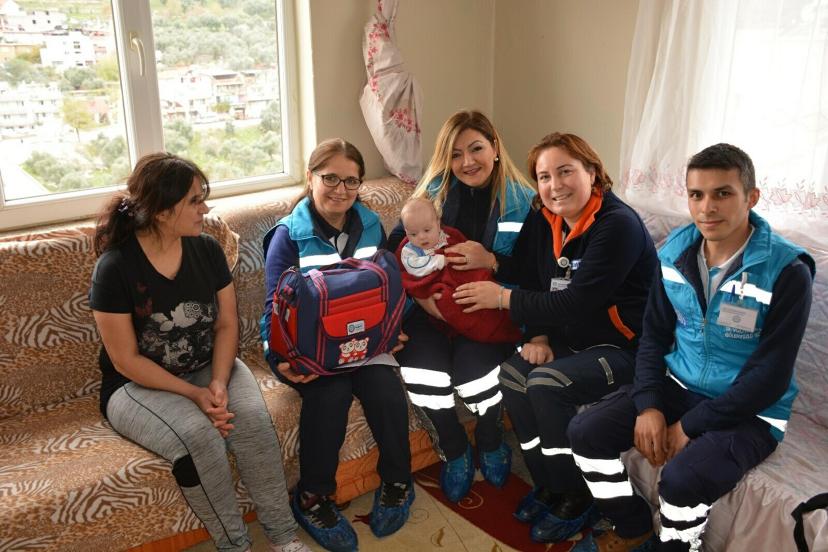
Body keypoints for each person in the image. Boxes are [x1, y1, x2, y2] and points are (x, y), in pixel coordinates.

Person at [566, 143, 815, 552]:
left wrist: (689, 426)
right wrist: (649, 404)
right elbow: (653, 337)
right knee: (585, 431)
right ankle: (632, 525)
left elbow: (770, 377)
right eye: (696, 194)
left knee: (682, 479)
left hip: (752, 411)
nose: (706, 207)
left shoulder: (787, 271)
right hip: (677, 385)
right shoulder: (672, 255)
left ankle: (677, 546)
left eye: (723, 193)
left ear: (751, 197)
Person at [89, 153, 309, 552]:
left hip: (211, 365)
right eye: (194, 201)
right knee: (199, 438)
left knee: (254, 423)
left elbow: (226, 324)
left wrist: (219, 382)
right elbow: (126, 360)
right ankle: (235, 545)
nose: (204, 209)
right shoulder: (115, 268)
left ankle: (283, 537)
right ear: (161, 210)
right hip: (137, 385)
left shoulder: (207, 249)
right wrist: (194, 394)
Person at [453, 132, 658, 543]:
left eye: (565, 172)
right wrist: (539, 334)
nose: (554, 185)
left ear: (592, 173)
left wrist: (502, 298)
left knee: (546, 384)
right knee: (512, 376)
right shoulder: (545, 215)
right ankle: (548, 484)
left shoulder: (617, 225)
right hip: (570, 336)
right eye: (544, 177)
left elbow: (576, 301)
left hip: (625, 346)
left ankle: (577, 496)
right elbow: (530, 275)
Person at [261, 138, 413, 552]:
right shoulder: (288, 236)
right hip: (309, 348)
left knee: (384, 389)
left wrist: (394, 328)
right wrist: (277, 357)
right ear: (311, 177)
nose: (341, 190)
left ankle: (398, 481)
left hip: (365, 340)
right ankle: (312, 497)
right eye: (330, 178)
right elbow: (273, 307)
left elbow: (387, 286)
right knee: (330, 394)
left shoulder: (370, 224)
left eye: (351, 181)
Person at [387, 109, 536, 502]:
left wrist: (492, 260)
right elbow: (395, 248)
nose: (467, 162)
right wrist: (421, 297)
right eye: (455, 154)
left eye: (476, 149)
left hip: (487, 312)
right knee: (423, 374)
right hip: (431, 312)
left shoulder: (524, 202)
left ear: (495, 148)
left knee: (476, 378)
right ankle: (454, 449)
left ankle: (490, 438)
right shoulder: (432, 192)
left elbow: (537, 270)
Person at [396, 197, 521, 343]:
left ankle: (503, 327)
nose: (421, 237)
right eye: (413, 234)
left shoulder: (448, 235)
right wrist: (440, 262)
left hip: (478, 283)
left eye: (427, 230)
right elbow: (410, 268)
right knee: (448, 300)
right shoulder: (409, 250)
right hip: (434, 293)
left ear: (438, 223)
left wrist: (490, 261)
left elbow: (464, 248)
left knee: (479, 279)